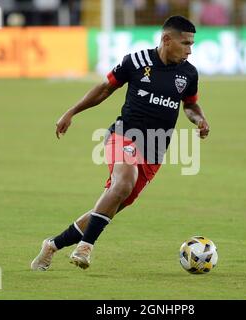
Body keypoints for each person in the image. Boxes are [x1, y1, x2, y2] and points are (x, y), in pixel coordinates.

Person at [30, 15, 210, 271]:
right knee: (123, 183)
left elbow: (190, 104)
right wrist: (71, 112)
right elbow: (105, 89)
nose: (189, 50)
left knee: (111, 203)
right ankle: (85, 248)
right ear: (167, 40)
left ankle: (52, 245)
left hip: (155, 149)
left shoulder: (188, 73)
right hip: (124, 135)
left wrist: (199, 119)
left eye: (192, 44)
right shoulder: (136, 61)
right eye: (185, 43)